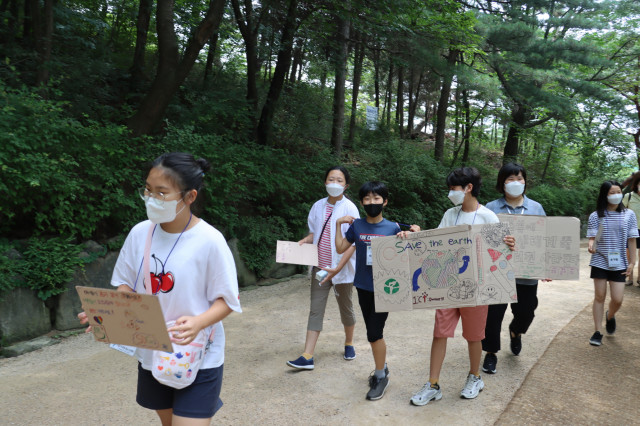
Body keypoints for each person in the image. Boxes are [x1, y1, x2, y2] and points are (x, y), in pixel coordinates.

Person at [78, 152, 242, 425]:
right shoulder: (140, 233)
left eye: (161, 193)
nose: (151, 198)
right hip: (152, 350)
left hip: (198, 353)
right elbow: (126, 286)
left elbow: (228, 299)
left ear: (189, 197)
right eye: (148, 190)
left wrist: (199, 322)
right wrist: (106, 313)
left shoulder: (210, 241)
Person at [400, 167, 515, 406]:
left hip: (476, 289)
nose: (450, 192)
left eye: (454, 188)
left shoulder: (488, 217)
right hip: (446, 284)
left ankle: (475, 377)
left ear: (468, 188)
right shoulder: (449, 214)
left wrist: (510, 245)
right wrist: (415, 237)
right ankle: (433, 384)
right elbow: (435, 244)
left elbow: (499, 255)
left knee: (474, 336)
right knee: (439, 332)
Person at [287, 166, 359, 370]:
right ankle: (307, 355)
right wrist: (305, 241)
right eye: (331, 179)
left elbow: (353, 243)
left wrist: (338, 268)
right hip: (320, 268)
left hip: (341, 269)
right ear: (325, 182)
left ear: (346, 185)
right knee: (315, 310)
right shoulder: (317, 206)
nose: (334, 184)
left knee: (346, 309)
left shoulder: (350, 208)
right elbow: (315, 233)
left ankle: (349, 343)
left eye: (339, 180)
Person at [335, 181, 401, 401]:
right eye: (367, 199)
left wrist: (409, 238)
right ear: (362, 202)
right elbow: (340, 248)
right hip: (363, 286)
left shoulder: (393, 228)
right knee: (373, 333)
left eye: (376, 198)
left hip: (386, 288)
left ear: (385, 201)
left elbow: (405, 257)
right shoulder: (357, 226)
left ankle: (381, 375)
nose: (372, 203)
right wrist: (338, 225)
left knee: (374, 333)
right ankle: (381, 370)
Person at [481, 163, 548, 374]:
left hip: (527, 275)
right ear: (502, 183)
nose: (515, 183)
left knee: (526, 312)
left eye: (519, 178)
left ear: (525, 182)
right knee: (492, 316)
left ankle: (516, 331)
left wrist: (547, 266)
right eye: (510, 179)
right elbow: (481, 239)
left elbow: (545, 239)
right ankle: (490, 353)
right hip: (497, 273)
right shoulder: (490, 208)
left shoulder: (536, 208)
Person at [587, 180, 637, 346]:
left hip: (620, 262)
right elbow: (593, 238)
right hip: (600, 260)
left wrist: (632, 263)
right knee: (599, 296)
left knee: (617, 299)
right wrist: (591, 245)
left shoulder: (629, 215)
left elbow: (631, 240)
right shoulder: (596, 215)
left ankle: (610, 315)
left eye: (618, 192)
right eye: (611, 192)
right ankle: (597, 331)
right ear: (604, 195)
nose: (616, 195)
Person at [622, 173, 640, 286]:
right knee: (630, 253)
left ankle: (639, 278)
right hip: (631, 229)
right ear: (636, 184)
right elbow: (622, 211)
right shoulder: (628, 196)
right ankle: (630, 278)